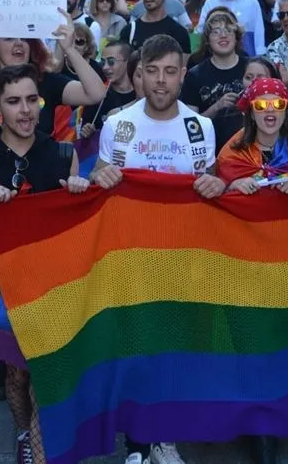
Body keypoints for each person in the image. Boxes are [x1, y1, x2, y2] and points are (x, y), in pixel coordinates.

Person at [90, 34, 226, 464]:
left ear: (184, 75)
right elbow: (99, 173)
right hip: (131, 259)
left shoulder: (199, 127)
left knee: (172, 353)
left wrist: (217, 183)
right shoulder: (119, 125)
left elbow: (211, 184)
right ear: (139, 75)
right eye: (153, 71)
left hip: (184, 260)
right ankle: (136, 443)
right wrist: (99, 175)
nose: (161, 81)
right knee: (136, 352)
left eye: (170, 71)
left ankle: (164, 437)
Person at [0, 62, 91, 464]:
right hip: (2, 283)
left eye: (31, 100)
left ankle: (40, 449)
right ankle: (25, 433)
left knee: (43, 372)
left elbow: (80, 230)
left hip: (52, 283)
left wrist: (79, 191)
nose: (24, 110)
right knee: (16, 376)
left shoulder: (63, 154)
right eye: (13, 101)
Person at [181, 10, 247, 150]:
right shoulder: (194, 75)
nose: (223, 35)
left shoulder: (251, 69)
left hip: (248, 149)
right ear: (207, 41)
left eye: (229, 30)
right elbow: (190, 126)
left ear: (236, 37)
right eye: (216, 32)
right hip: (210, 149)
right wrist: (217, 107)